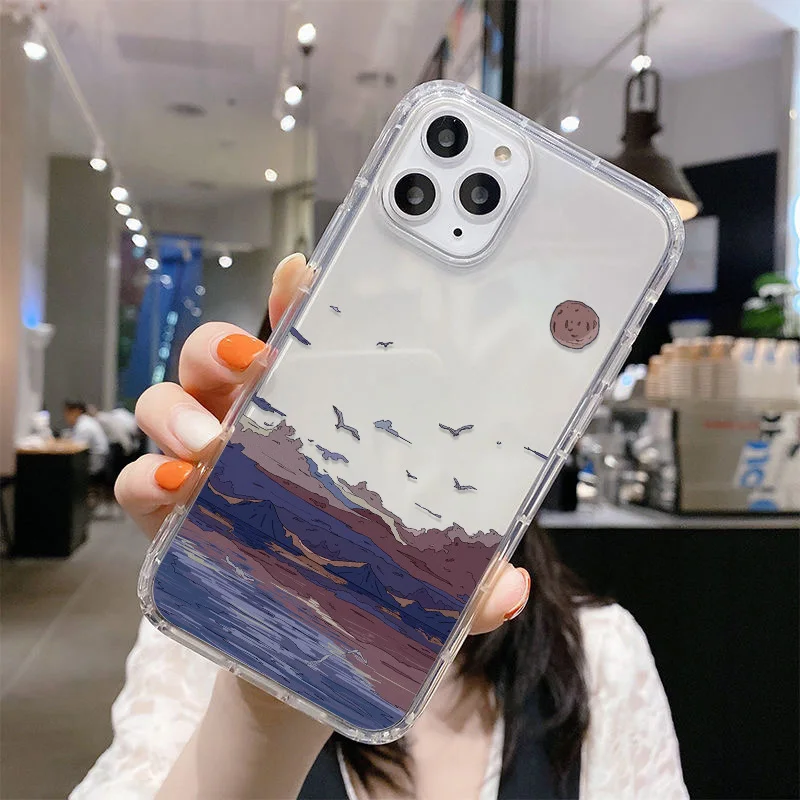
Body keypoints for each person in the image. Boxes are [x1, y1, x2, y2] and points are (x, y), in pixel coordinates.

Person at [72, 254, 687, 799]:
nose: (392, 453)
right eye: (358, 384)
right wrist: (270, 692)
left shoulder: (602, 656)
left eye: (447, 392)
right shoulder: (207, 639)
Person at [63, 401, 110, 478]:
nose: (66, 417)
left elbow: (77, 448)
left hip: (95, 461)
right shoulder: (85, 420)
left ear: (76, 411)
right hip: (97, 457)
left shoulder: (84, 425)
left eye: (68, 414)